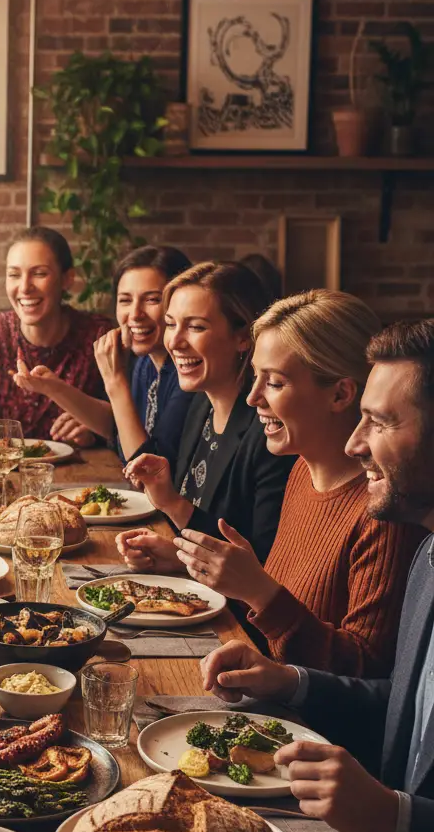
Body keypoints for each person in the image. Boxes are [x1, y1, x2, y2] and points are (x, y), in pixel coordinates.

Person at [199, 318, 434, 832]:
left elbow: (365, 661)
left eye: (379, 424)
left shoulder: (399, 530)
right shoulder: (431, 553)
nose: (356, 443)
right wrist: (292, 680)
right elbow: (401, 702)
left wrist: (394, 814)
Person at [171, 290, 424, 677]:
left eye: (274, 382)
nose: (253, 397)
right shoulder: (301, 473)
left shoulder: (385, 509)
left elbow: (364, 672)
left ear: (340, 394)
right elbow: (277, 629)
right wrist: (209, 569)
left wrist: (258, 590)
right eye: (254, 376)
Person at [118, 261, 296, 570]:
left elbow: (261, 564)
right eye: (171, 324)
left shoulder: (270, 430)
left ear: (243, 336)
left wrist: (173, 504)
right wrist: (176, 556)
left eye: (196, 326)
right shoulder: (199, 403)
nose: (173, 341)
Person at [11, 244, 194, 467]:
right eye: (125, 300)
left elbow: (145, 469)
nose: (135, 314)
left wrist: (114, 380)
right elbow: (117, 427)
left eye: (152, 299)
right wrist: (53, 387)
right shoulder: (145, 361)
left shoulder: (187, 372)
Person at [0, 227, 113, 444]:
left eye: (39, 273)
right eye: (14, 275)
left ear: (67, 279)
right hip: (4, 469)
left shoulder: (97, 335)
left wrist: (94, 431)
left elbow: (125, 423)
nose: (25, 287)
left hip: (83, 471)